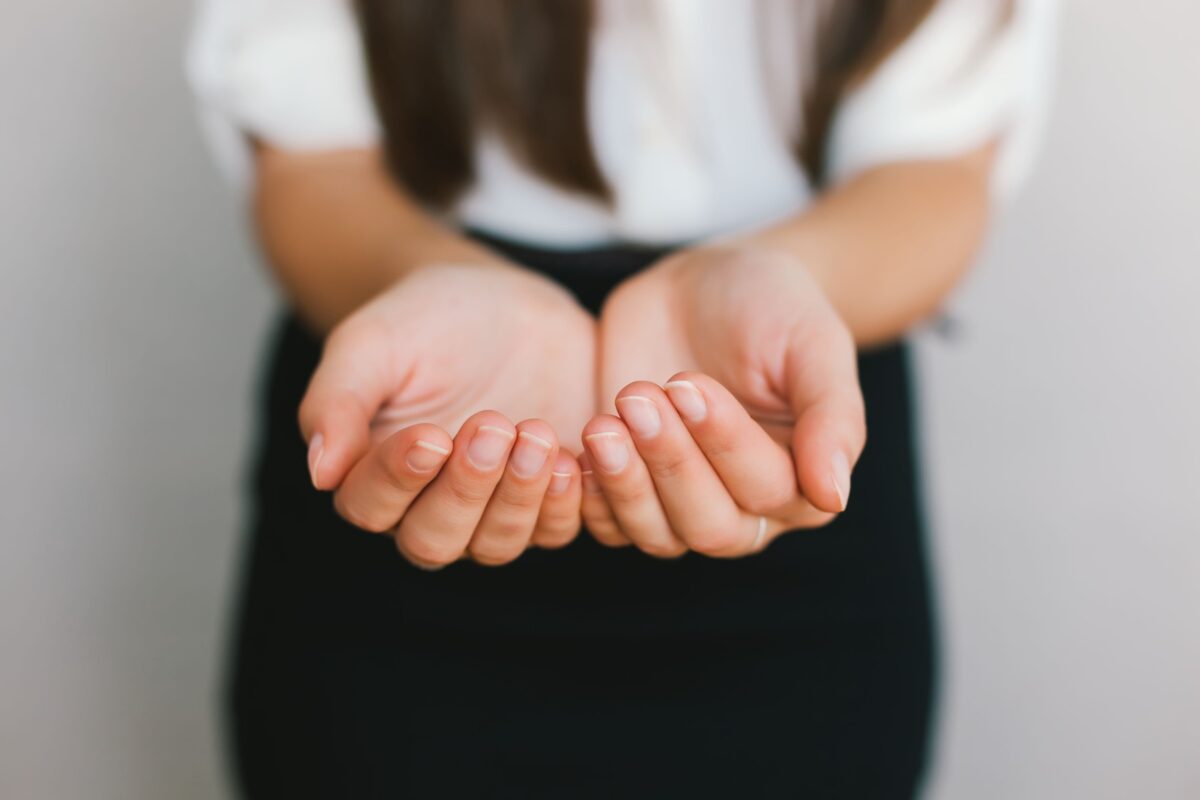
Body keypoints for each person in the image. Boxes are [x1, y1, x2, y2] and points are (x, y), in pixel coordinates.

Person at [188, 0, 1052, 796]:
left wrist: (790, 279)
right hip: (420, 409)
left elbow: (937, 163)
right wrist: (428, 276)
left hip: (774, 416)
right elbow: (310, 165)